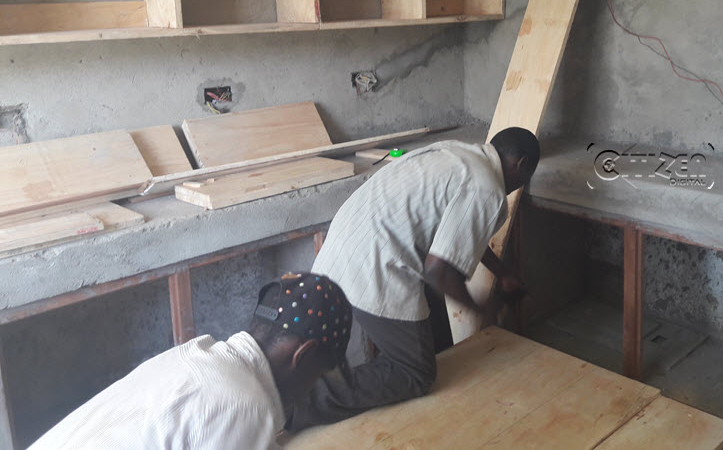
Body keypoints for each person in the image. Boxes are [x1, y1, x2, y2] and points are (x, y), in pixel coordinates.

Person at [289, 127, 540, 431]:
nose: (517, 188)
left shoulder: (458, 154)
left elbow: (462, 232)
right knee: (416, 371)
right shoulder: (486, 188)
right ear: (521, 164)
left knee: (426, 329)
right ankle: (299, 404)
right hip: (373, 267)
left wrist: (503, 273)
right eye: (523, 181)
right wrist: (481, 309)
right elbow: (438, 270)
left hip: (342, 248)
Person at [29, 273, 352, 450]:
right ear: (303, 355)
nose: (313, 390)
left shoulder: (193, 357)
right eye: (318, 375)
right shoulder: (242, 407)